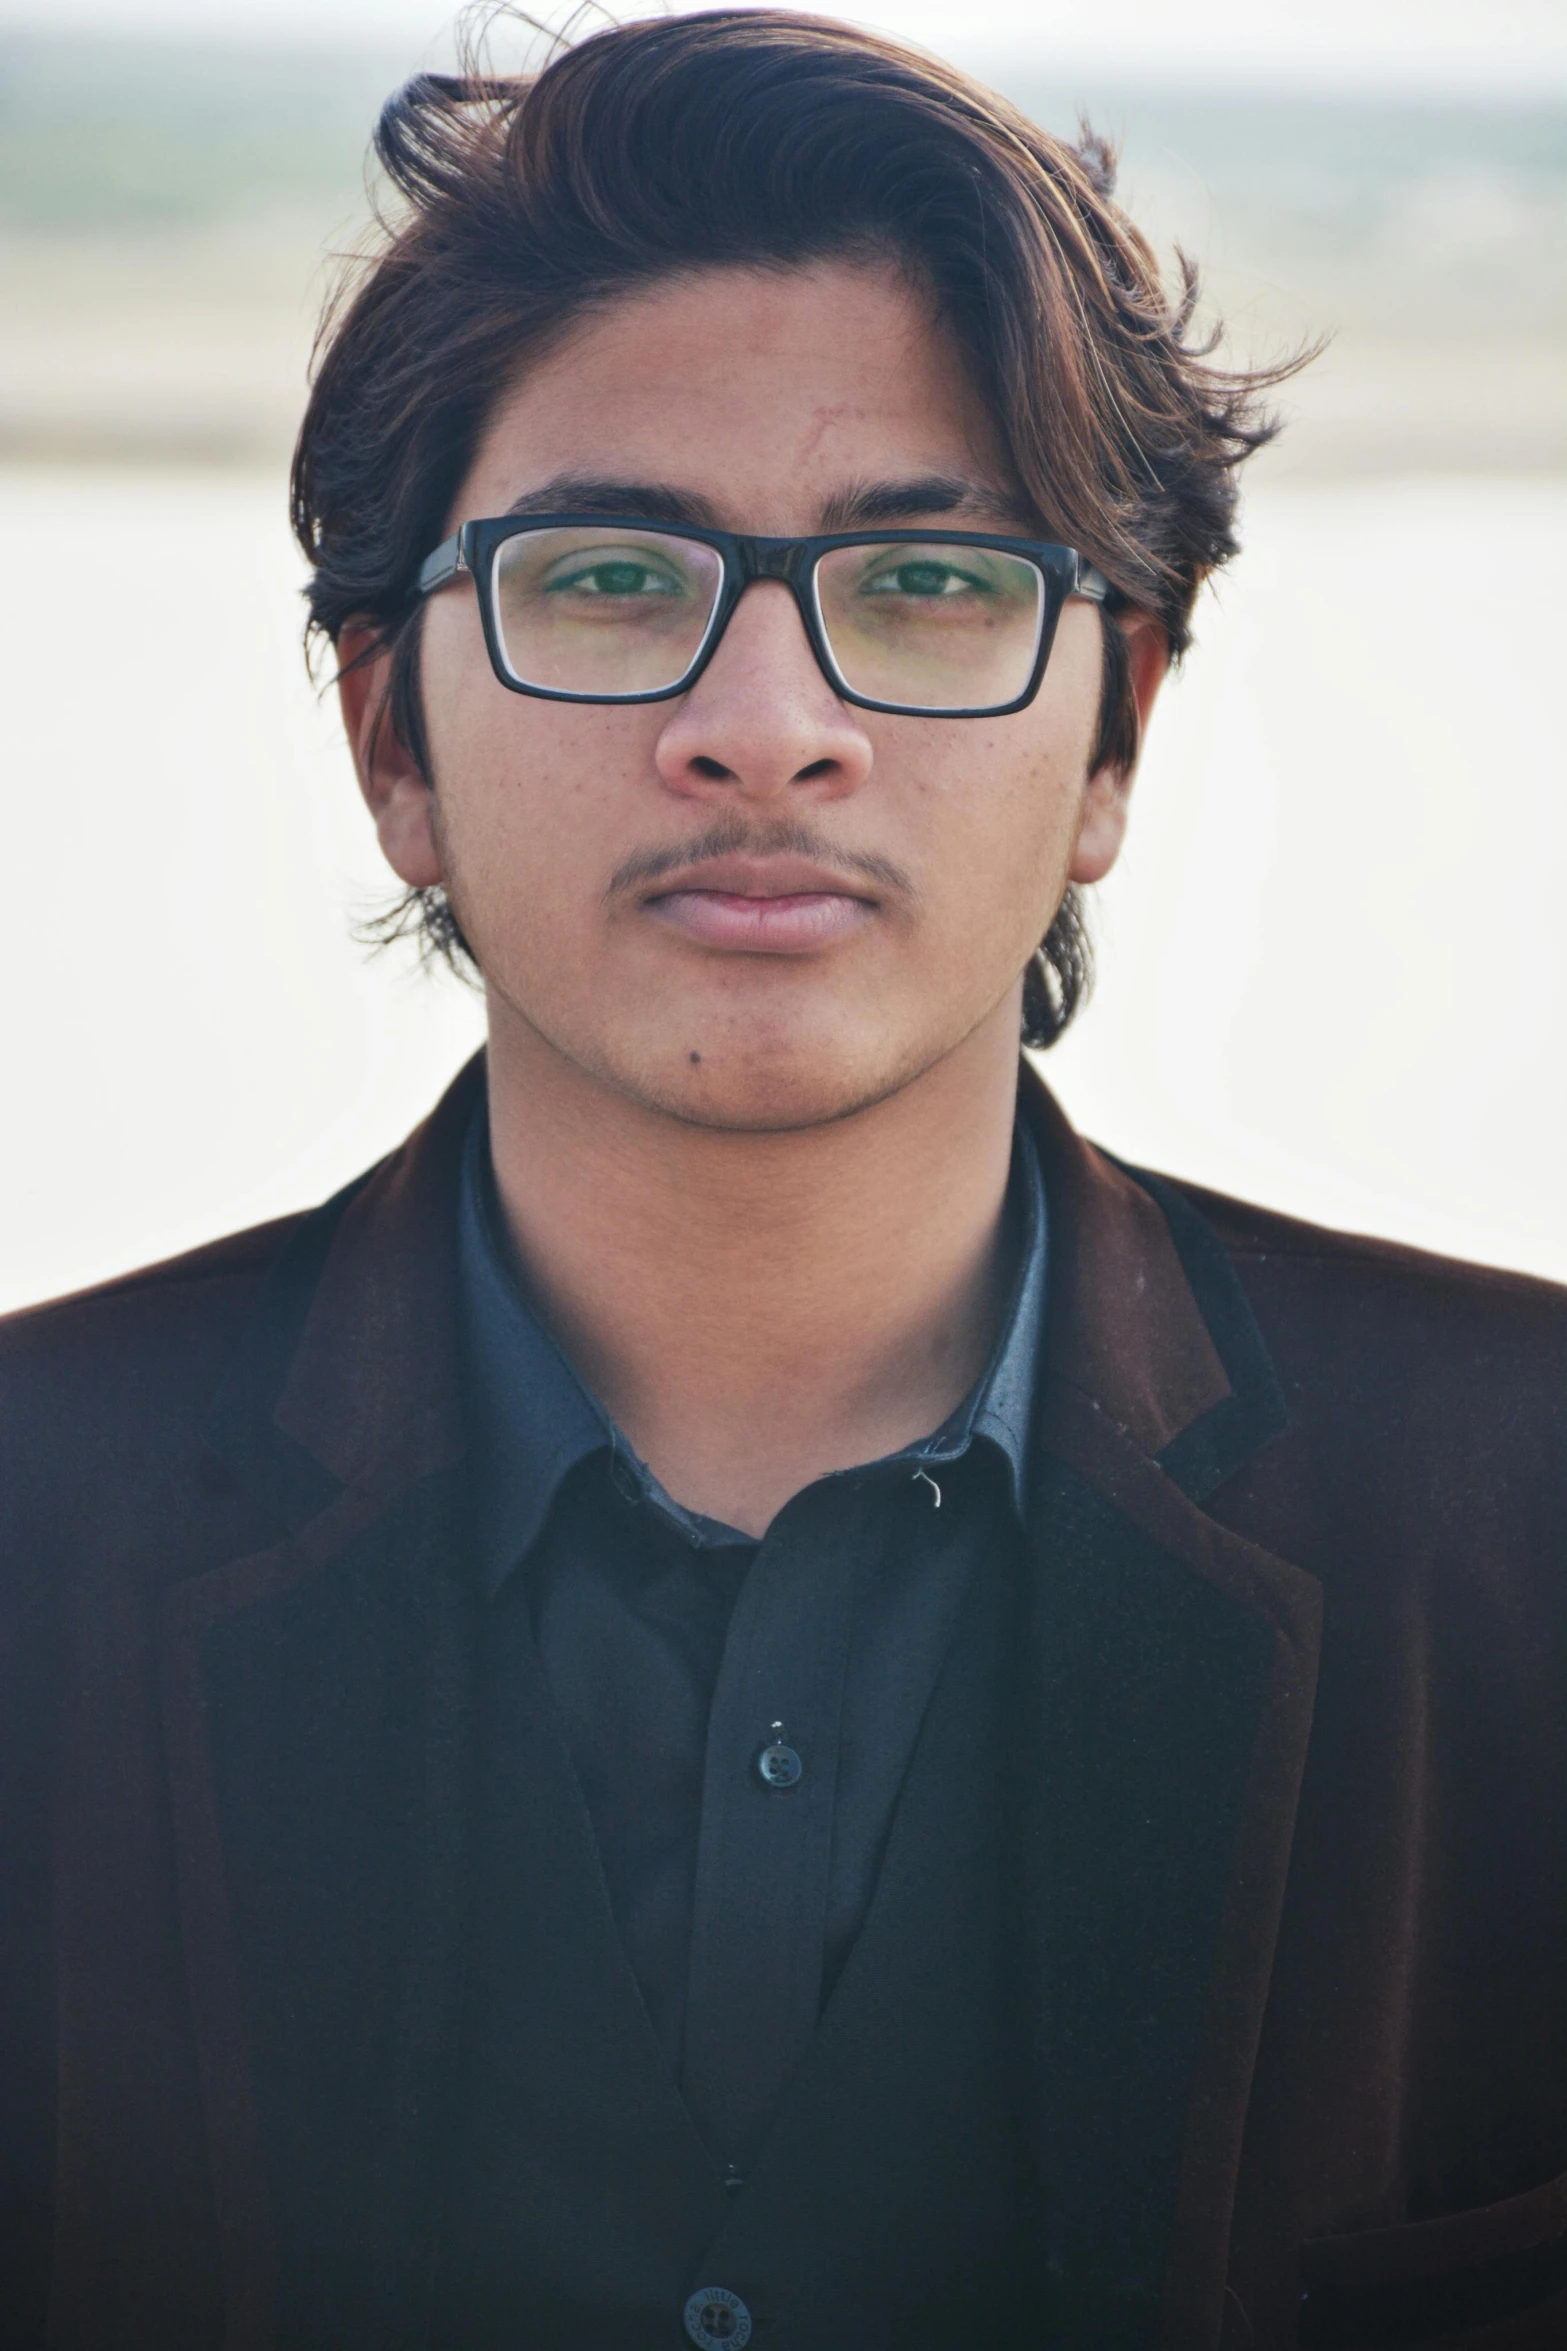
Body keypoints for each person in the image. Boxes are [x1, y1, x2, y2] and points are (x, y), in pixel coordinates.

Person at [3, 12, 1563, 2348]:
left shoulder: (1531, 1513)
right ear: (388, 739)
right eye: (613, 577)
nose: (766, 718)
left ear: (1114, 730)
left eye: (928, 584)